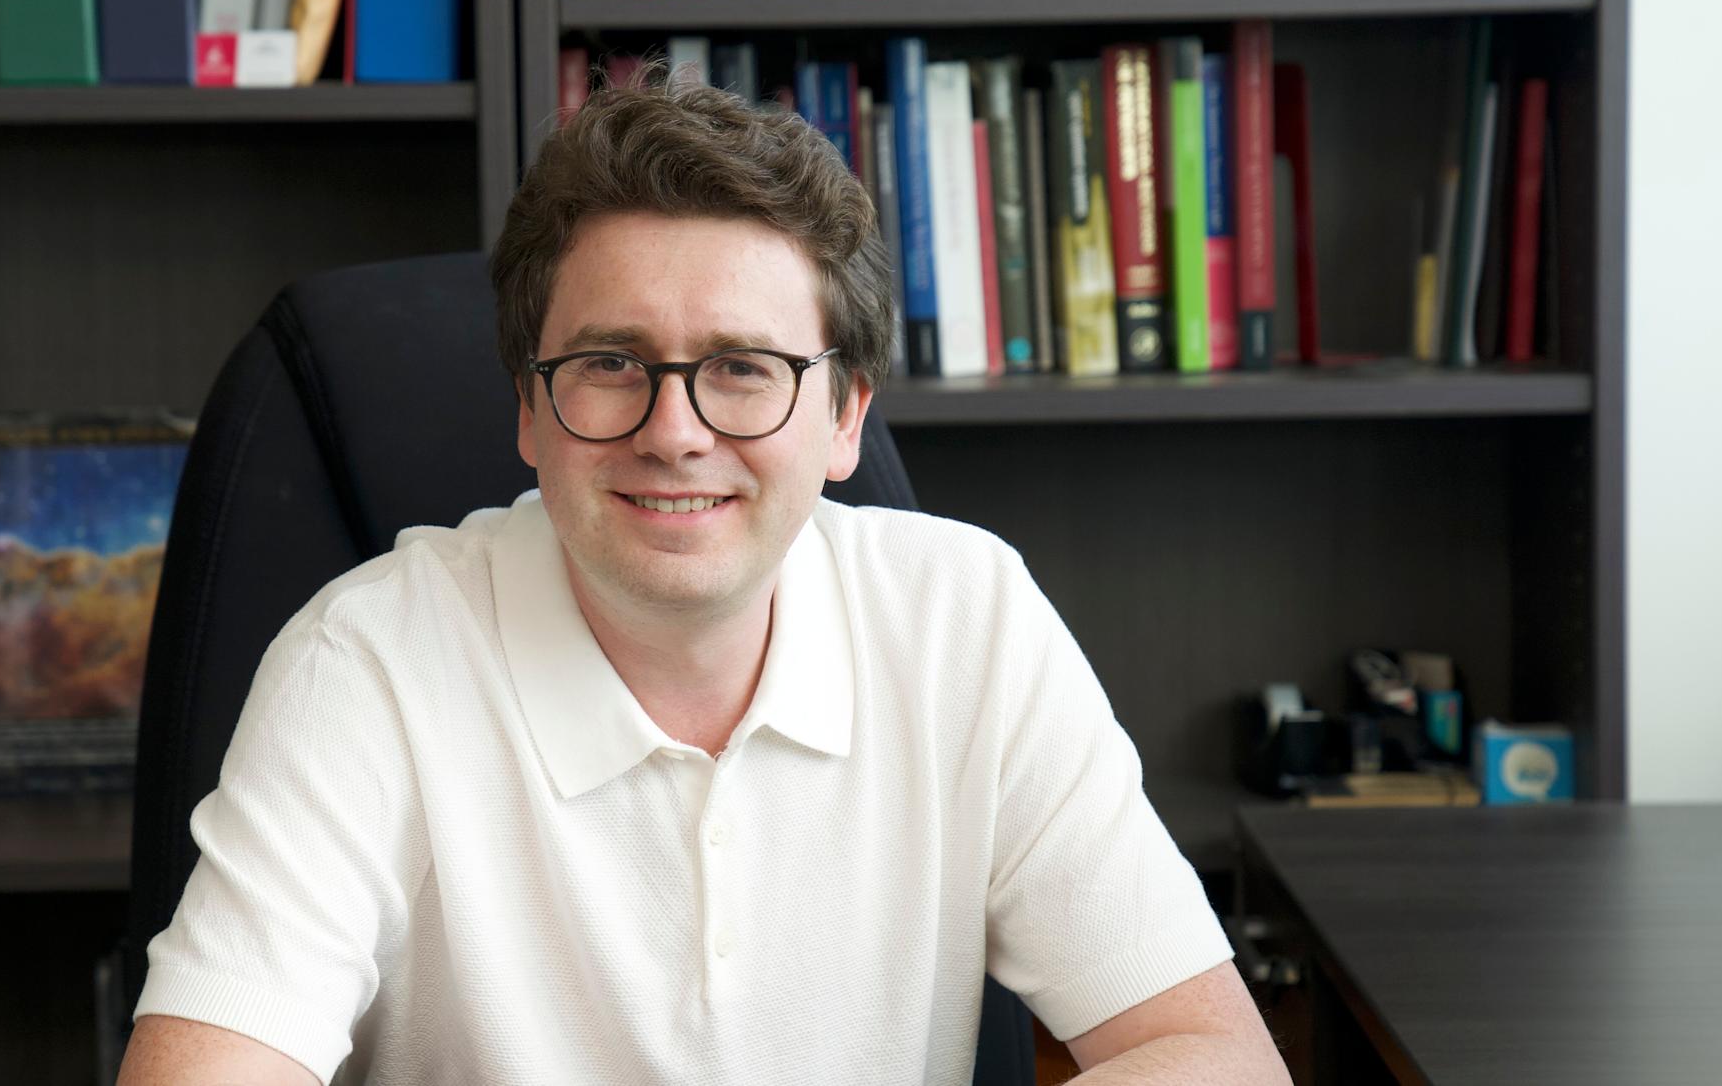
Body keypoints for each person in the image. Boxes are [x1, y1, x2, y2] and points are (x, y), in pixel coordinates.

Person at [118, 73, 1287, 1085]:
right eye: (612, 363)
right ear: (530, 407)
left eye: (741, 368)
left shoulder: (965, 621)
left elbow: (1215, 1053)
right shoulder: (368, 663)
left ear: (845, 417)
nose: (674, 431)